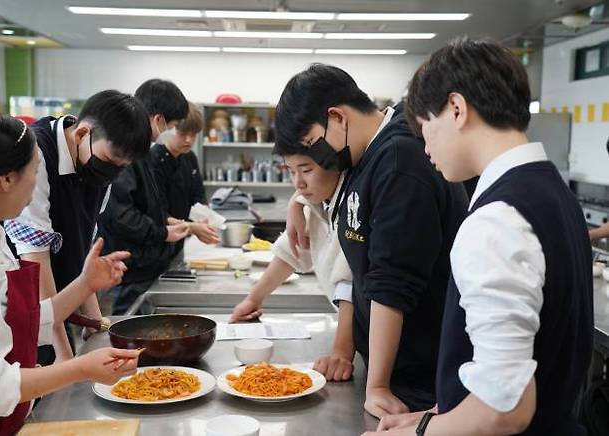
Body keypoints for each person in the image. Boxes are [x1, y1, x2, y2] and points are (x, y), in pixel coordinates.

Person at [367, 38, 593, 436]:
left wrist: (417, 434)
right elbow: (515, 363)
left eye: (425, 128)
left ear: (456, 109)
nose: (425, 147)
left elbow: (503, 409)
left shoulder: (496, 221)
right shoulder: (554, 193)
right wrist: (436, 416)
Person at [277, 64, 468, 416]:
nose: (316, 162)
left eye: (310, 146)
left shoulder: (398, 162)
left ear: (337, 117)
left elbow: (391, 283)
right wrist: (297, 201)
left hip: (422, 382)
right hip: (395, 370)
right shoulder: (362, 157)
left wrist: (376, 385)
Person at [0, 109, 141, 436]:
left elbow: (24, 322)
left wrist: (84, 285)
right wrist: (78, 368)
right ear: (6, 179)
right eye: (36, 171)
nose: (38, 183)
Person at [3, 90, 151, 364]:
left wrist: (95, 324)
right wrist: (66, 358)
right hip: (19, 306)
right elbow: (35, 263)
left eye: (122, 166)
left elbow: (84, 249)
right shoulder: (36, 156)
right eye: (111, 161)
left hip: (58, 303)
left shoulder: (99, 165)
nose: (113, 172)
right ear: (83, 133)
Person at [230, 153, 354, 381]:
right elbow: (293, 250)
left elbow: (350, 283)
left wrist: (341, 352)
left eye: (306, 170)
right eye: (290, 171)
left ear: (336, 164)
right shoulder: (317, 198)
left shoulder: (354, 197)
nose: (298, 183)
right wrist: (253, 299)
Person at [98, 79, 194, 316]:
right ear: (159, 120)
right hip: (131, 264)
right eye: (171, 126)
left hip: (144, 262)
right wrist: (162, 232)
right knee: (126, 329)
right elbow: (121, 215)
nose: (167, 133)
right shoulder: (126, 151)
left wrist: (167, 224)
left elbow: (149, 204)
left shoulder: (141, 152)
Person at [152, 101, 220, 257]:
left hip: (180, 242)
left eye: (194, 134)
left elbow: (198, 196)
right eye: (182, 134)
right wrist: (193, 228)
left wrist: (204, 218)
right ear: (168, 128)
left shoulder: (189, 158)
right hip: (158, 243)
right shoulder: (153, 161)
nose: (189, 140)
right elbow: (158, 213)